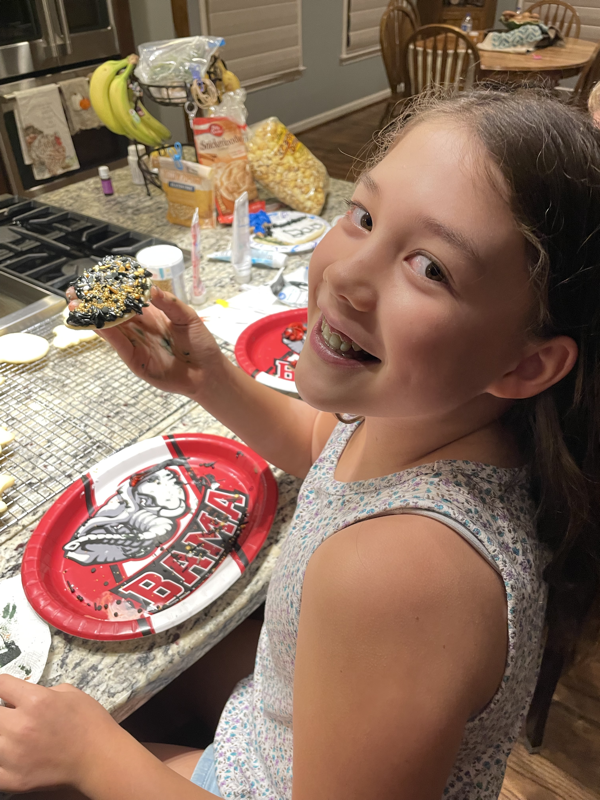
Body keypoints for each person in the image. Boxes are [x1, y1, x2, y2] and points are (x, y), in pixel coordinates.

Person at [2, 87, 600, 800]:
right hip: (271, 733)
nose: (345, 276)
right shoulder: (432, 420)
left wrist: (91, 754)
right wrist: (209, 378)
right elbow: (324, 447)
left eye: (430, 268)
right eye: (365, 217)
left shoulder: (399, 574)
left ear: (526, 366)